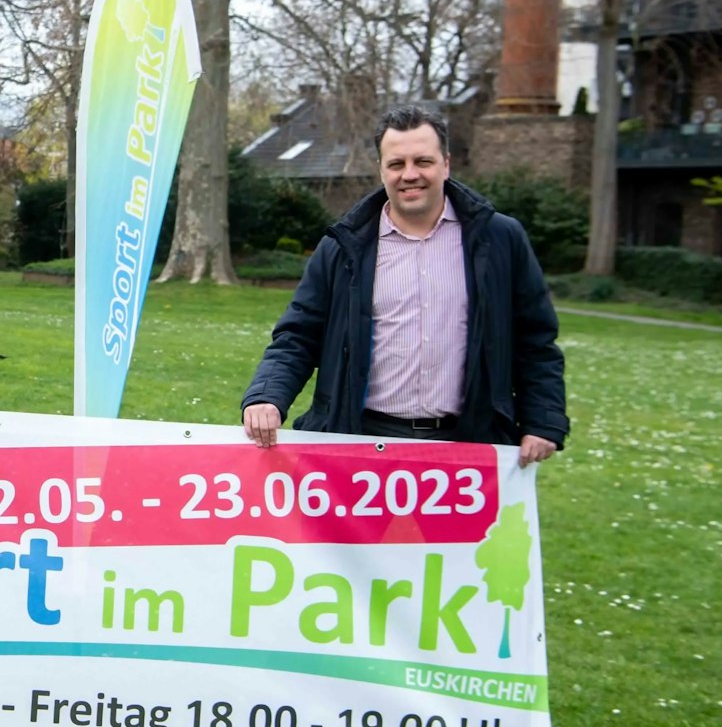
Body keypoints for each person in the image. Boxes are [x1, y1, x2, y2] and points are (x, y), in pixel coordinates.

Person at [241, 105, 568, 461]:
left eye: (422, 162)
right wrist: (266, 395)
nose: (409, 175)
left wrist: (542, 421)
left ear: (446, 164)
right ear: (381, 170)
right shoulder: (343, 246)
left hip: (470, 443)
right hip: (359, 440)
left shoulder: (500, 239)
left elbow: (534, 340)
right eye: (397, 164)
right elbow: (298, 335)